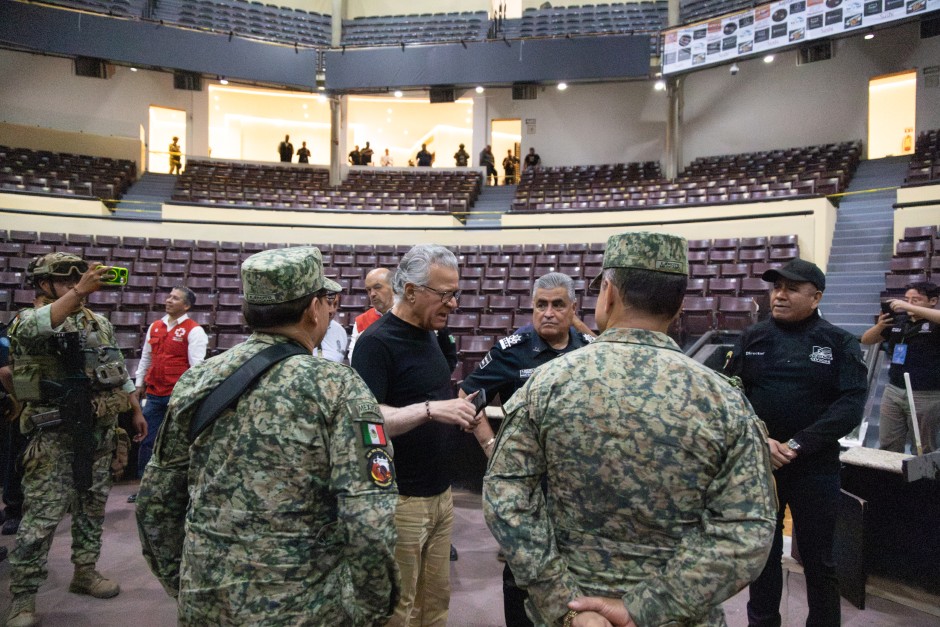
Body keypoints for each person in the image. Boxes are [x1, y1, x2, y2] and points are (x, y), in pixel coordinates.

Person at [484, 232, 777, 627]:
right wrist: (643, 609)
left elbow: (505, 497)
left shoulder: (546, 384)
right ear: (679, 305)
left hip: (571, 612)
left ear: (607, 294)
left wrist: (565, 604)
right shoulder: (723, 400)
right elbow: (747, 531)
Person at [136, 247, 399, 626]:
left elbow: (156, 500)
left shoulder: (198, 380)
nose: (330, 310)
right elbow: (369, 518)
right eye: (327, 301)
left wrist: (186, 581)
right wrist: (372, 609)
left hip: (206, 602)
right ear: (312, 309)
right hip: (306, 608)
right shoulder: (338, 387)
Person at [724, 258, 868, 627]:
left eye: (791, 288)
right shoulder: (752, 338)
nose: (780, 295)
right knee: (763, 556)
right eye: (776, 287)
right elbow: (731, 396)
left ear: (815, 297)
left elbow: (850, 406)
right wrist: (762, 440)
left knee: (820, 560)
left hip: (815, 469)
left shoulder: (839, 343)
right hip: (761, 465)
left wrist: (799, 444)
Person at [5, 253, 147, 627]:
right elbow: (37, 329)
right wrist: (78, 293)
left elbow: (117, 369)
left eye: (78, 280)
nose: (76, 287)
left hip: (99, 432)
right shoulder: (26, 320)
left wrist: (134, 409)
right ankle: (23, 597)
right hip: (53, 436)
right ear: (44, 284)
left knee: (92, 507)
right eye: (66, 282)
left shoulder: (98, 323)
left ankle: (85, 572)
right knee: (42, 517)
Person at [351, 245, 480, 627]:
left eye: (456, 293)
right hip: (401, 500)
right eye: (445, 294)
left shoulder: (433, 333)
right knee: (399, 610)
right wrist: (429, 410)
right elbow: (367, 424)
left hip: (441, 494)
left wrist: (453, 410)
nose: (453, 303)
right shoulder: (375, 343)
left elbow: (430, 394)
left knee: (435, 602)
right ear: (410, 291)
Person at [460, 272, 594, 627]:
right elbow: (465, 399)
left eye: (558, 305)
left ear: (573, 309)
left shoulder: (590, 348)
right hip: (528, 487)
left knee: (580, 573)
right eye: (541, 305)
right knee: (523, 572)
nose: (548, 313)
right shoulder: (512, 350)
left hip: (581, 488)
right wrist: (491, 444)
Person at [128, 286, 208, 503]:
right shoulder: (155, 326)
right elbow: (146, 358)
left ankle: (178, 490)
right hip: (154, 394)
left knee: (179, 444)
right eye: (169, 296)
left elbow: (196, 368)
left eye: (175, 298)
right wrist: (139, 384)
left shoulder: (194, 330)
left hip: (178, 396)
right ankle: (145, 487)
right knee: (147, 441)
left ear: (186, 306)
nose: (169, 300)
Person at [860, 280, 940, 454]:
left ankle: (924, 480)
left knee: (923, 447)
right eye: (906, 299)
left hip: (926, 394)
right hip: (894, 389)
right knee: (888, 443)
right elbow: (866, 340)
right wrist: (880, 326)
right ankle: (890, 480)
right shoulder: (899, 321)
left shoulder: (935, 323)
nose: (908, 304)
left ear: (933, 301)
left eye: (915, 300)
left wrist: (907, 306)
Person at [348, 267, 394, 362]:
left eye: (377, 287)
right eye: (368, 290)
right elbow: (353, 359)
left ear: (393, 287)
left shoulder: (408, 315)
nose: (372, 294)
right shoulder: (361, 321)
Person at [315, 289, 349, 363]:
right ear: (315, 303)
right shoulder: (302, 329)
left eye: (335, 304)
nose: (332, 310)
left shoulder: (341, 332)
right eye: (328, 304)